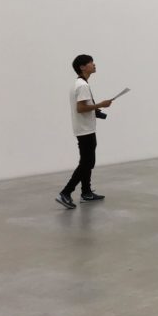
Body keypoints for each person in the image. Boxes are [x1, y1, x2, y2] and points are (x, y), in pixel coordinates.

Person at [55, 55, 112, 209]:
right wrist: (101, 104)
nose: (94, 65)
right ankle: (65, 193)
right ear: (82, 67)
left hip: (84, 129)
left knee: (87, 162)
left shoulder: (79, 84)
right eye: (90, 63)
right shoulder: (82, 86)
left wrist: (96, 110)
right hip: (85, 131)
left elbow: (84, 107)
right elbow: (80, 109)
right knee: (87, 163)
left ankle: (86, 192)